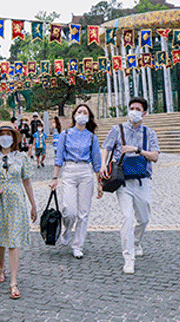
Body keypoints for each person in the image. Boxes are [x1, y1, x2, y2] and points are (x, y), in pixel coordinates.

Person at [99, 97, 159, 275]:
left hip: (143, 179)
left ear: (144, 113)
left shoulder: (150, 133)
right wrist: (103, 164)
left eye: (137, 108)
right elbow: (106, 147)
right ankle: (128, 258)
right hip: (122, 181)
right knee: (127, 218)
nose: (134, 111)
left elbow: (155, 156)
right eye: (131, 108)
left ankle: (136, 242)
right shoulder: (117, 129)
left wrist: (138, 150)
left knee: (144, 217)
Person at [0, 122, 37, 299]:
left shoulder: (21, 158)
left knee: (14, 240)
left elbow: (27, 181)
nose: (6, 137)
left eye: (9, 134)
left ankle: (14, 281)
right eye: (2, 134)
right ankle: (1, 266)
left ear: (14, 138)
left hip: (16, 201)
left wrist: (33, 205)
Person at [50, 104, 101, 259]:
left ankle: (77, 245)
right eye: (79, 112)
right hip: (69, 171)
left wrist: (100, 183)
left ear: (89, 117)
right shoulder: (65, 134)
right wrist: (54, 178)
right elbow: (58, 157)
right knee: (69, 209)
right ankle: (66, 230)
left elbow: (97, 163)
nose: (82, 114)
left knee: (83, 213)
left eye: (85, 112)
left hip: (85, 172)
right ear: (74, 115)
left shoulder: (92, 137)